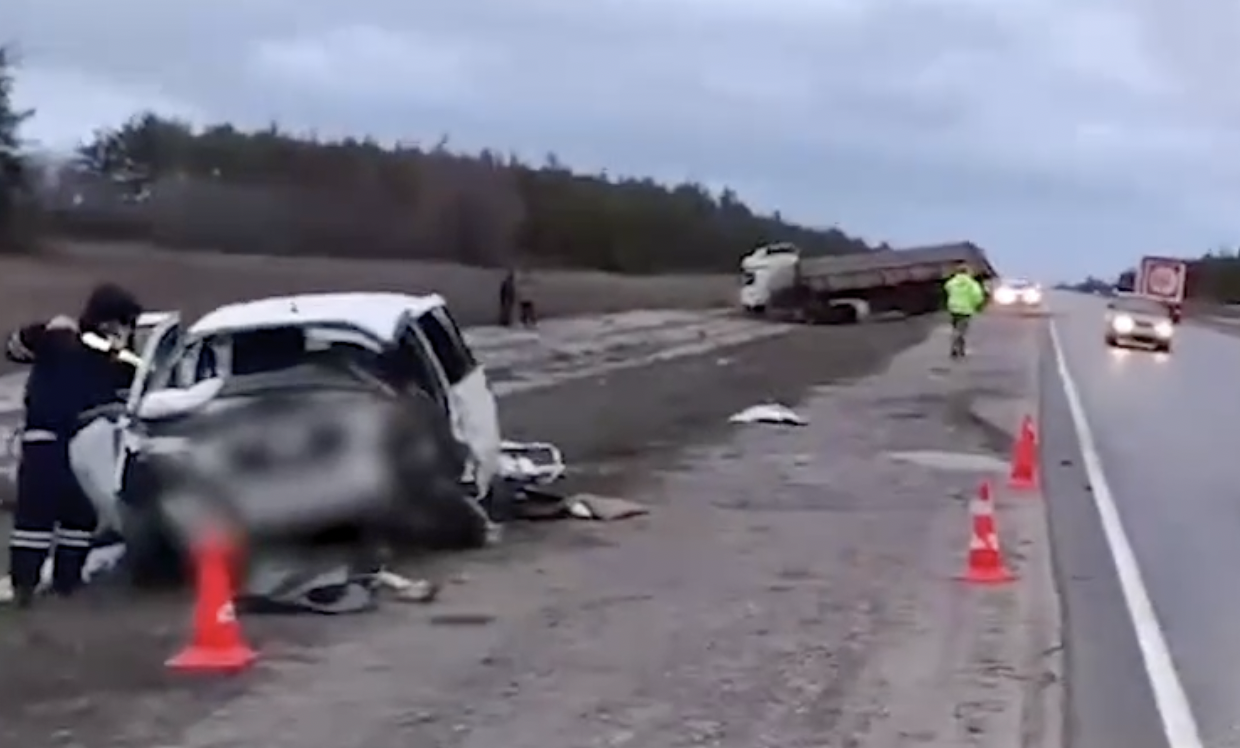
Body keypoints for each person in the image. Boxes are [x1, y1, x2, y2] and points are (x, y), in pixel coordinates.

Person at [3, 282, 143, 607]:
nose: (125, 331)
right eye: (123, 323)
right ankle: (25, 584)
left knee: (78, 516)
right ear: (107, 320)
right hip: (47, 440)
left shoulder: (117, 360)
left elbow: (130, 392)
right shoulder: (58, 341)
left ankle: (67, 582)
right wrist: (42, 330)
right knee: (35, 517)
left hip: (85, 442)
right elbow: (14, 348)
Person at [943, 263, 987, 358]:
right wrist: (975, 305)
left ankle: (960, 349)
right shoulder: (972, 283)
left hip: (953, 308)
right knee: (961, 330)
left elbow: (947, 288)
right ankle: (955, 348)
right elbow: (978, 296)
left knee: (956, 328)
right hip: (966, 309)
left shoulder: (952, 282)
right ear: (967, 272)